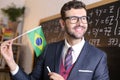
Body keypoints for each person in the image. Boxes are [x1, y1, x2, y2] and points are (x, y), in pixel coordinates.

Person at [0, 1, 109, 80]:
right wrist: (11, 62)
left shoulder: (98, 57)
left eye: (84, 18)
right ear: (62, 24)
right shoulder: (48, 50)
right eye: (73, 19)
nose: (80, 23)